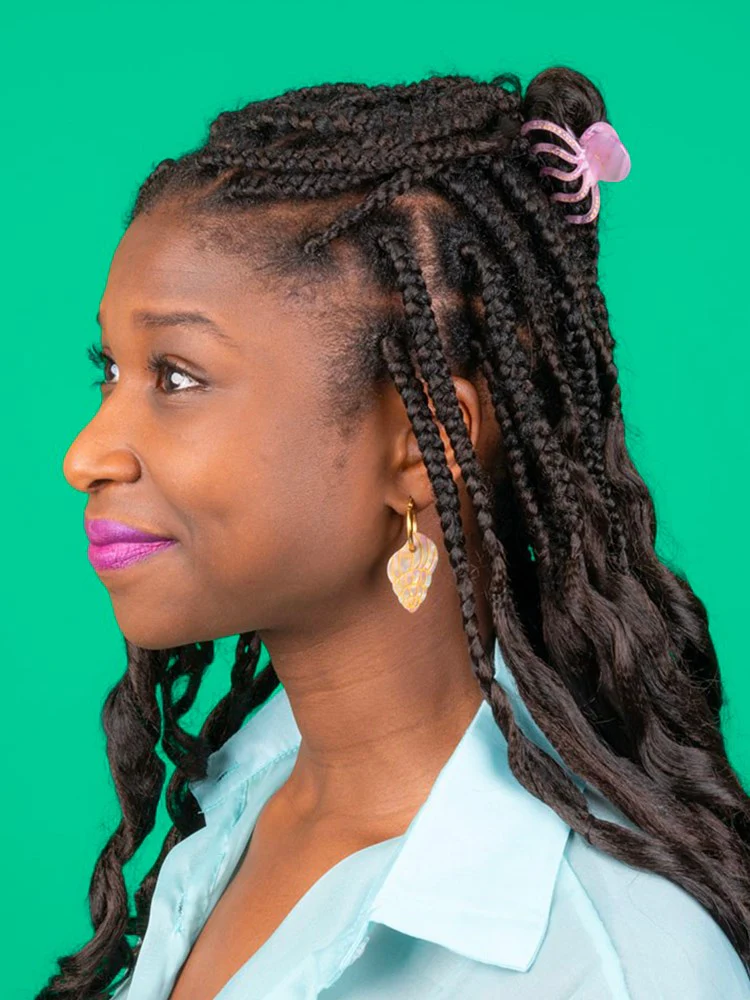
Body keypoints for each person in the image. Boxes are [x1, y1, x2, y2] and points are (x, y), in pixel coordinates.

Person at [38, 66, 750, 999]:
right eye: (111, 370)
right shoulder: (238, 804)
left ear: (425, 443)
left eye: (177, 376)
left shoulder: (607, 963)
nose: (85, 455)